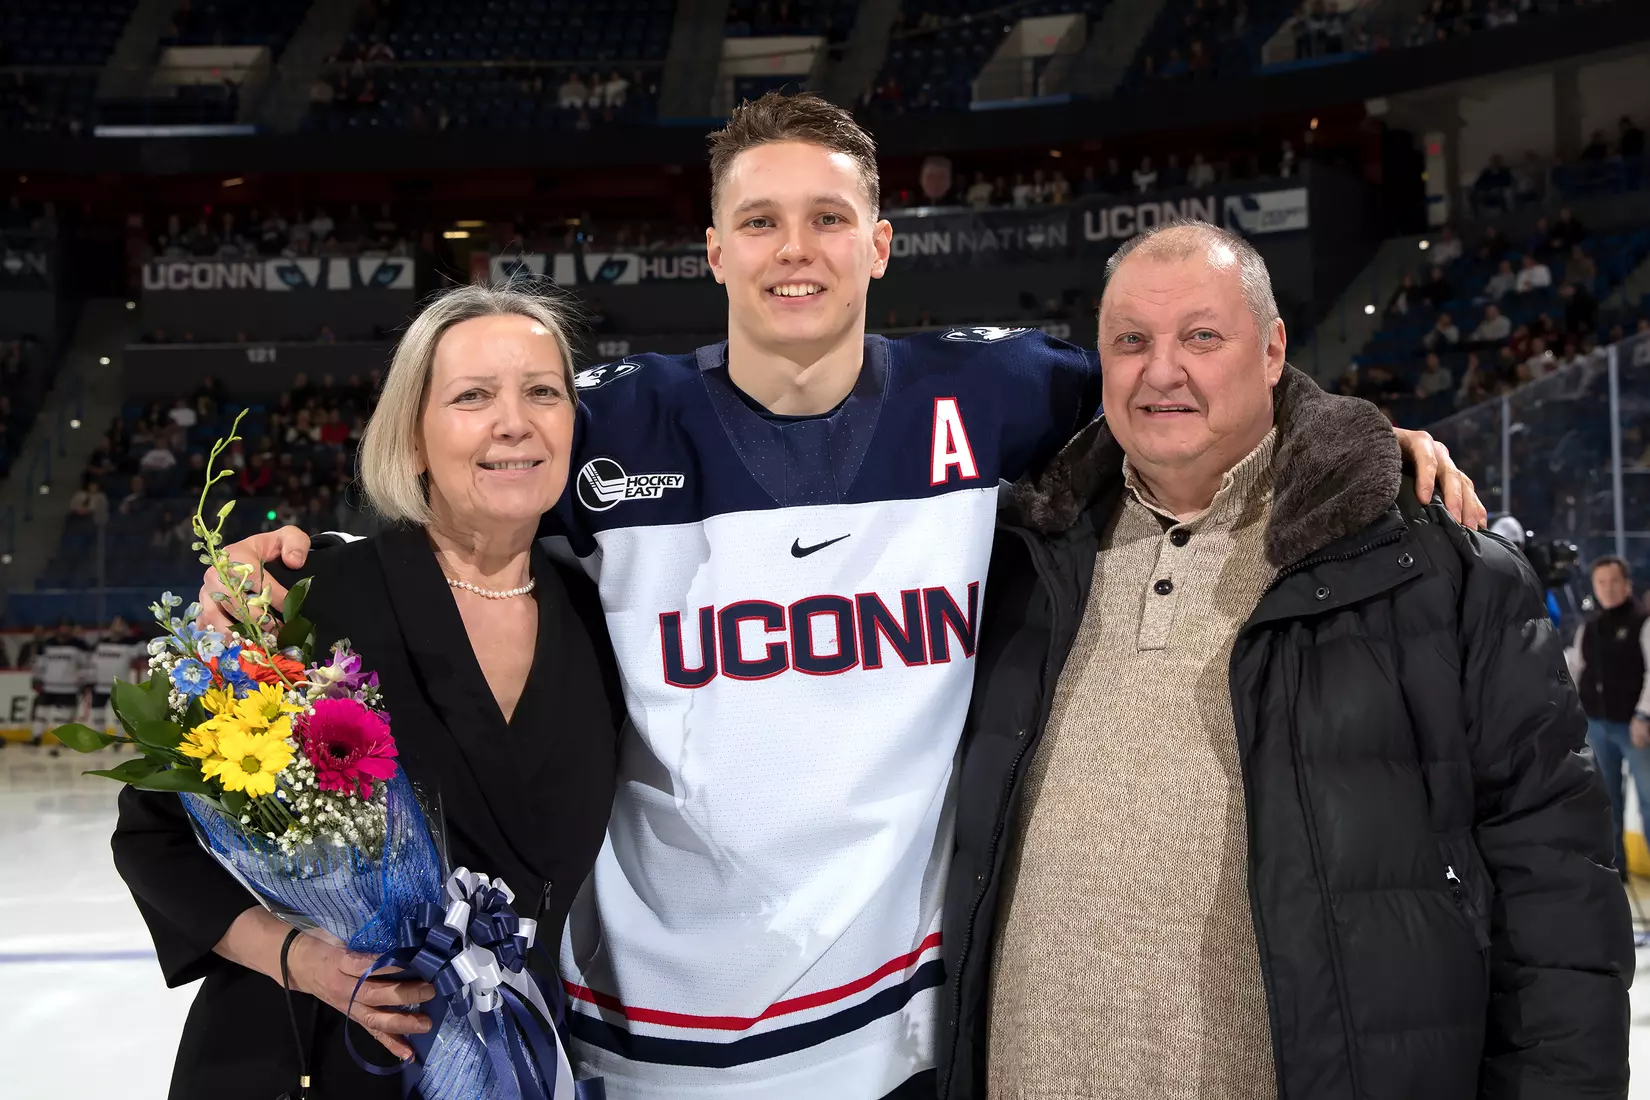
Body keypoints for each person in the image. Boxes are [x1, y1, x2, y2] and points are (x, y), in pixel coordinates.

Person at [202, 96, 1482, 1100]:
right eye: (760, 220)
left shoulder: (993, 398)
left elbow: (1193, 383)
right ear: (714, 248)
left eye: (828, 217)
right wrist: (306, 556)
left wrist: (1363, 440)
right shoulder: (611, 423)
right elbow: (469, 503)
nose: (794, 249)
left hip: (900, 1036)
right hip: (644, 1031)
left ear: (881, 240)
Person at [945, 219, 1630, 1099]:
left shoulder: (1436, 568)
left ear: (1272, 351)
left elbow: (1558, 890)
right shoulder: (1011, 566)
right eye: (1130, 342)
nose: (1162, 371)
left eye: (1201, 336)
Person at [115, 285, 623, 1099]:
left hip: (513, 1058)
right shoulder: (300, 596)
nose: (514, 421)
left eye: (543, 391)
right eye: (471, 397)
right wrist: (304, 961)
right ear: (414, 435)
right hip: (308, 1054)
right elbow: (154, 839)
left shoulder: (603, 619)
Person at [1565, 556, 1650, 879]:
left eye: (1614, 581)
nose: (1608, 588)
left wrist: (1644, 715)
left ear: (1626, 584)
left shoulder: (1644, 622)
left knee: (1648, 801)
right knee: (1606, 802)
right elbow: (1576, 672)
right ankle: (1616, 873)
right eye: (1601, 583)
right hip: (1597, 727)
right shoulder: (1589, 628)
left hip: (1635, 727)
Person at [30, 619, 88, 750]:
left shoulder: (80, 645)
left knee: (65, 715)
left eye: (67, 627)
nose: (64, 630)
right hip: (49, 685)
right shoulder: (47, 644)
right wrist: (36, 678)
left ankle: (64, 740)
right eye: (62, 627)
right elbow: (39, 664)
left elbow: (85, 665)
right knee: (41, 713)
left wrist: (84, 682)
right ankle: (36, 737)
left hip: (69, 687)